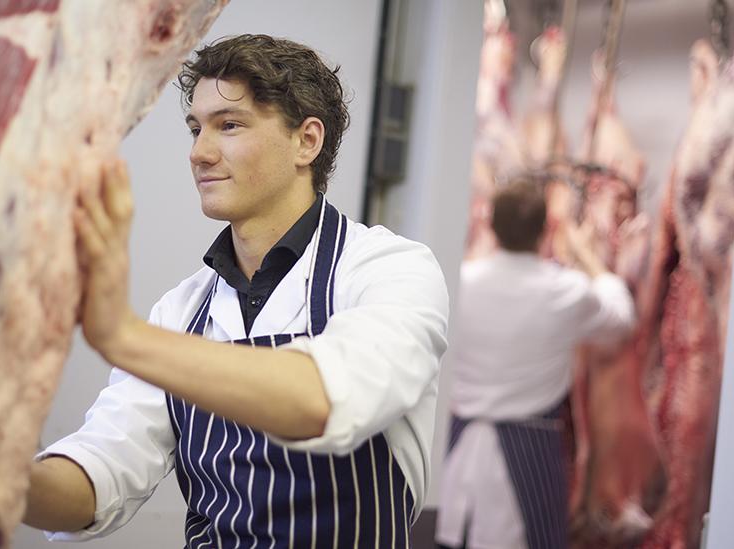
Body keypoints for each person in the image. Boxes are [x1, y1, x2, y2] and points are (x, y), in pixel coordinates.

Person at [23, 34, 449, 548]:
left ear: (306, 141)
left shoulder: (388, 270)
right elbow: (99, 477)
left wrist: (121, 335)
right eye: (195, 128)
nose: (200, 154)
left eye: (228, 125)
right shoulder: (180, 313)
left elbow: (320, 398)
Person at [435, 177, 635, 549]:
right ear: (546, 230)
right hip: (531, 453)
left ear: (491, 225)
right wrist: (589, 256)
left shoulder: (460, 282)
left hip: (457, 450)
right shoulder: (564, 290)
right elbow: (621, 318)